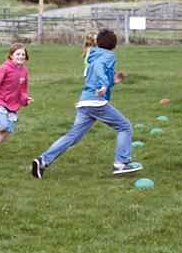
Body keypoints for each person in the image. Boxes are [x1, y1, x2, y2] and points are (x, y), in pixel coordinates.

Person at [31, 29, 141, 179]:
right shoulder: (109, 55)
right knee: (124, 126)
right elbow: (99, 69)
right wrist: (103, 85)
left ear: (98, 43)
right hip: (97, 103)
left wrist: (112, 82)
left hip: (86, 101)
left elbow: (93, 75)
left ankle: (42, 160)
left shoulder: (93, 55)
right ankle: (121, 163)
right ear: (114, 45)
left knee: (73, 136)